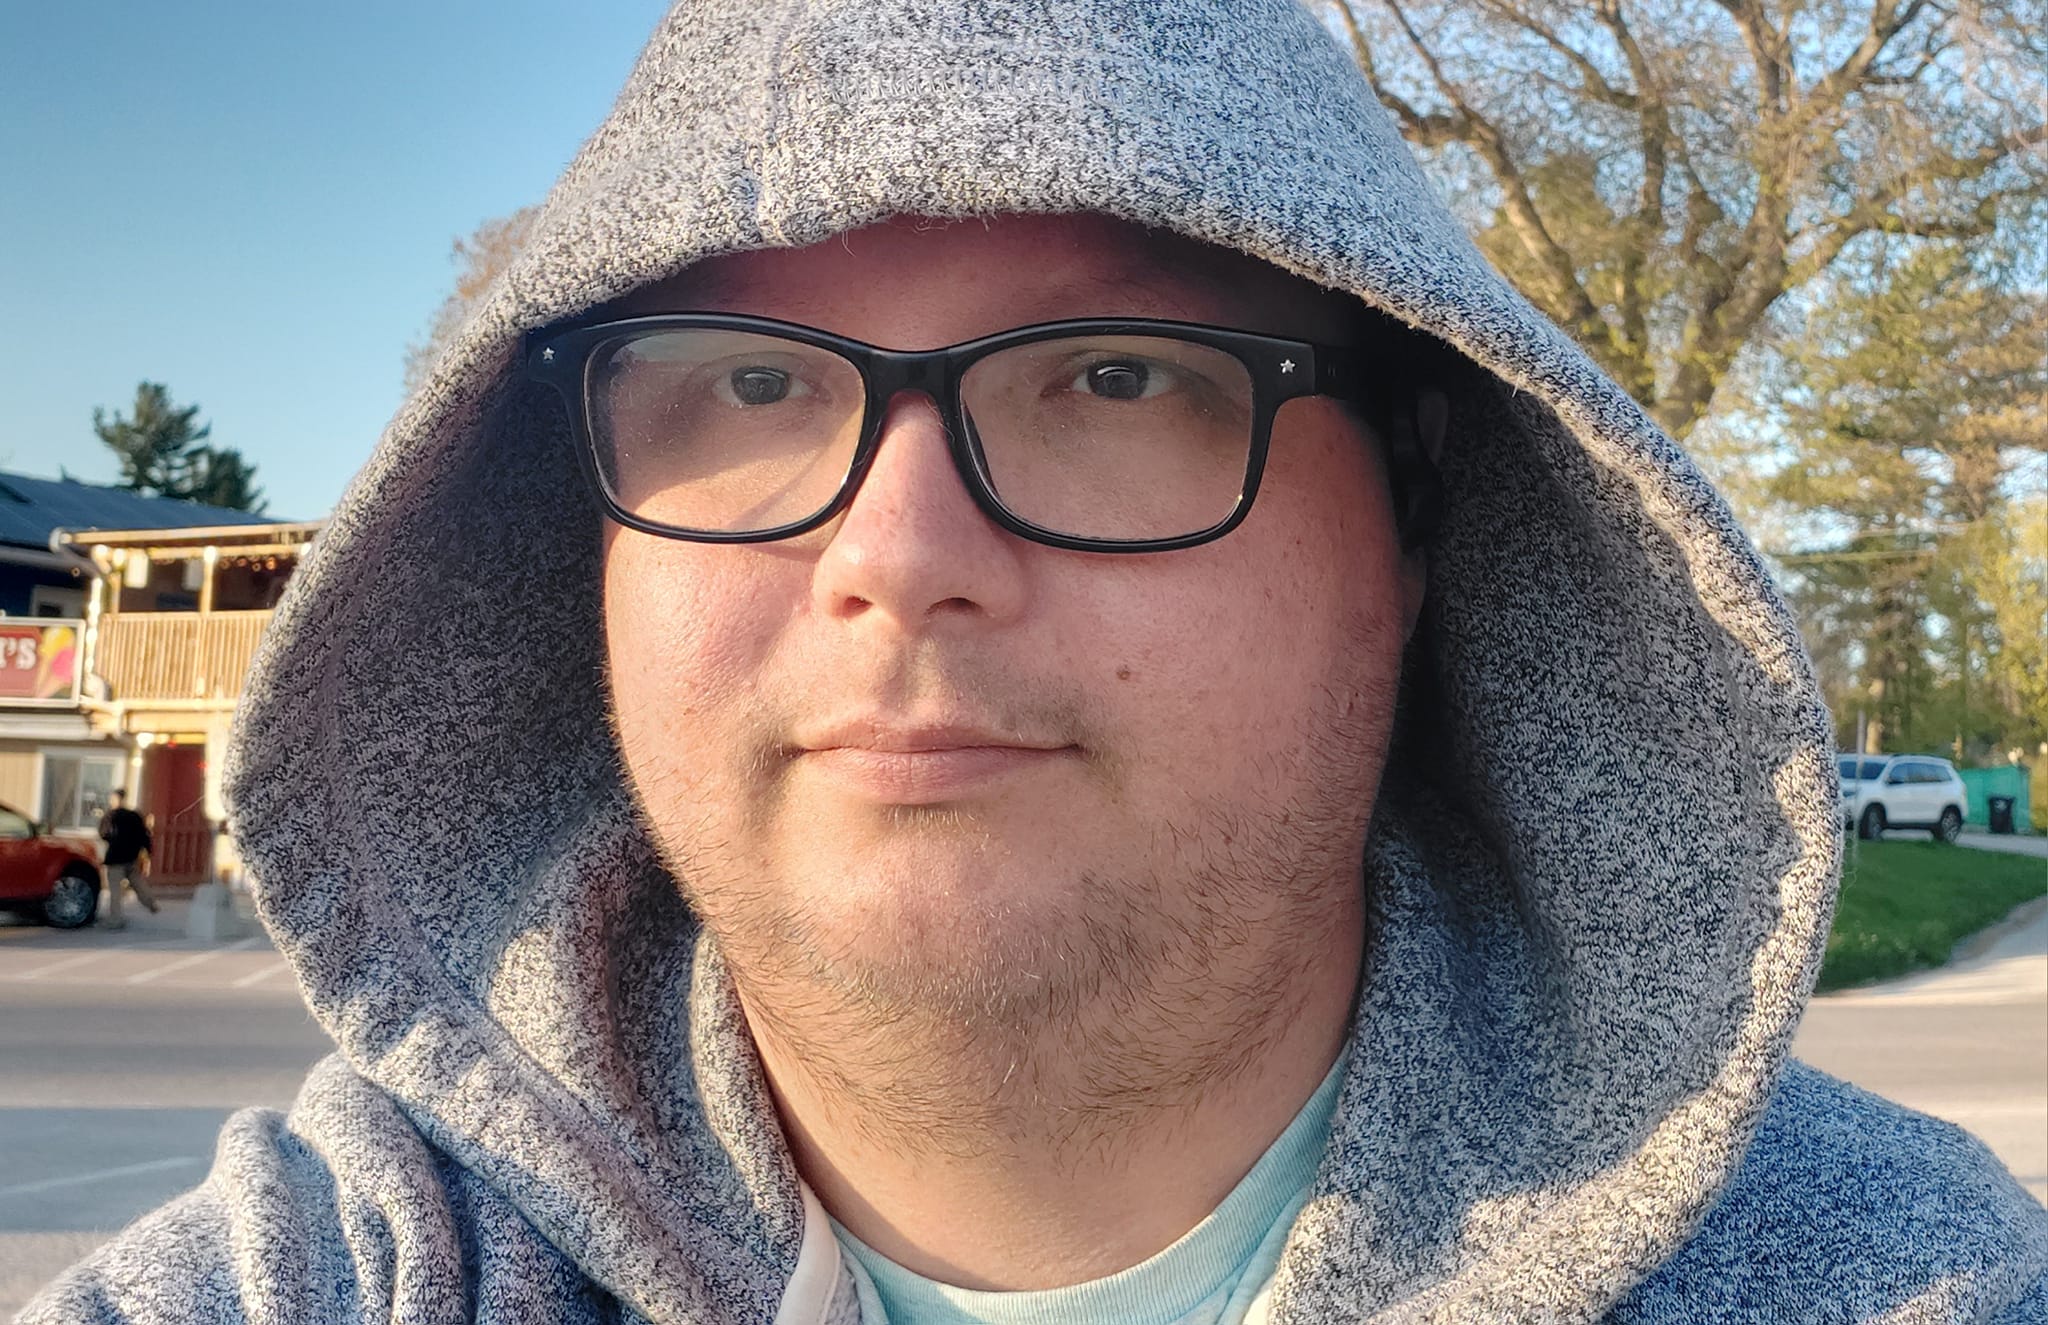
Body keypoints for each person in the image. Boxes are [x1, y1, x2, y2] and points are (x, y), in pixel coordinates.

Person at [25, 2, 2045, 1321]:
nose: (899, 556)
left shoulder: (1906, 1282)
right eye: (745, 382)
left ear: (1418, 527)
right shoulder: (316, 1276)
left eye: (1113, 374)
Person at [93, 789, 157, 930]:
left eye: (112, 798)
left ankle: (116, 919)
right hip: (131, 857)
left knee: (115, 889)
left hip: (115, 857)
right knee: (137, 882)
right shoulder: (134, 815)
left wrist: (111, 839)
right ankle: (150, 902)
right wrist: (147, 850)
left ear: (117, 799)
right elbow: (144, 834)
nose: (111, 801)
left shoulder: (110, 816)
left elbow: (103, 834)